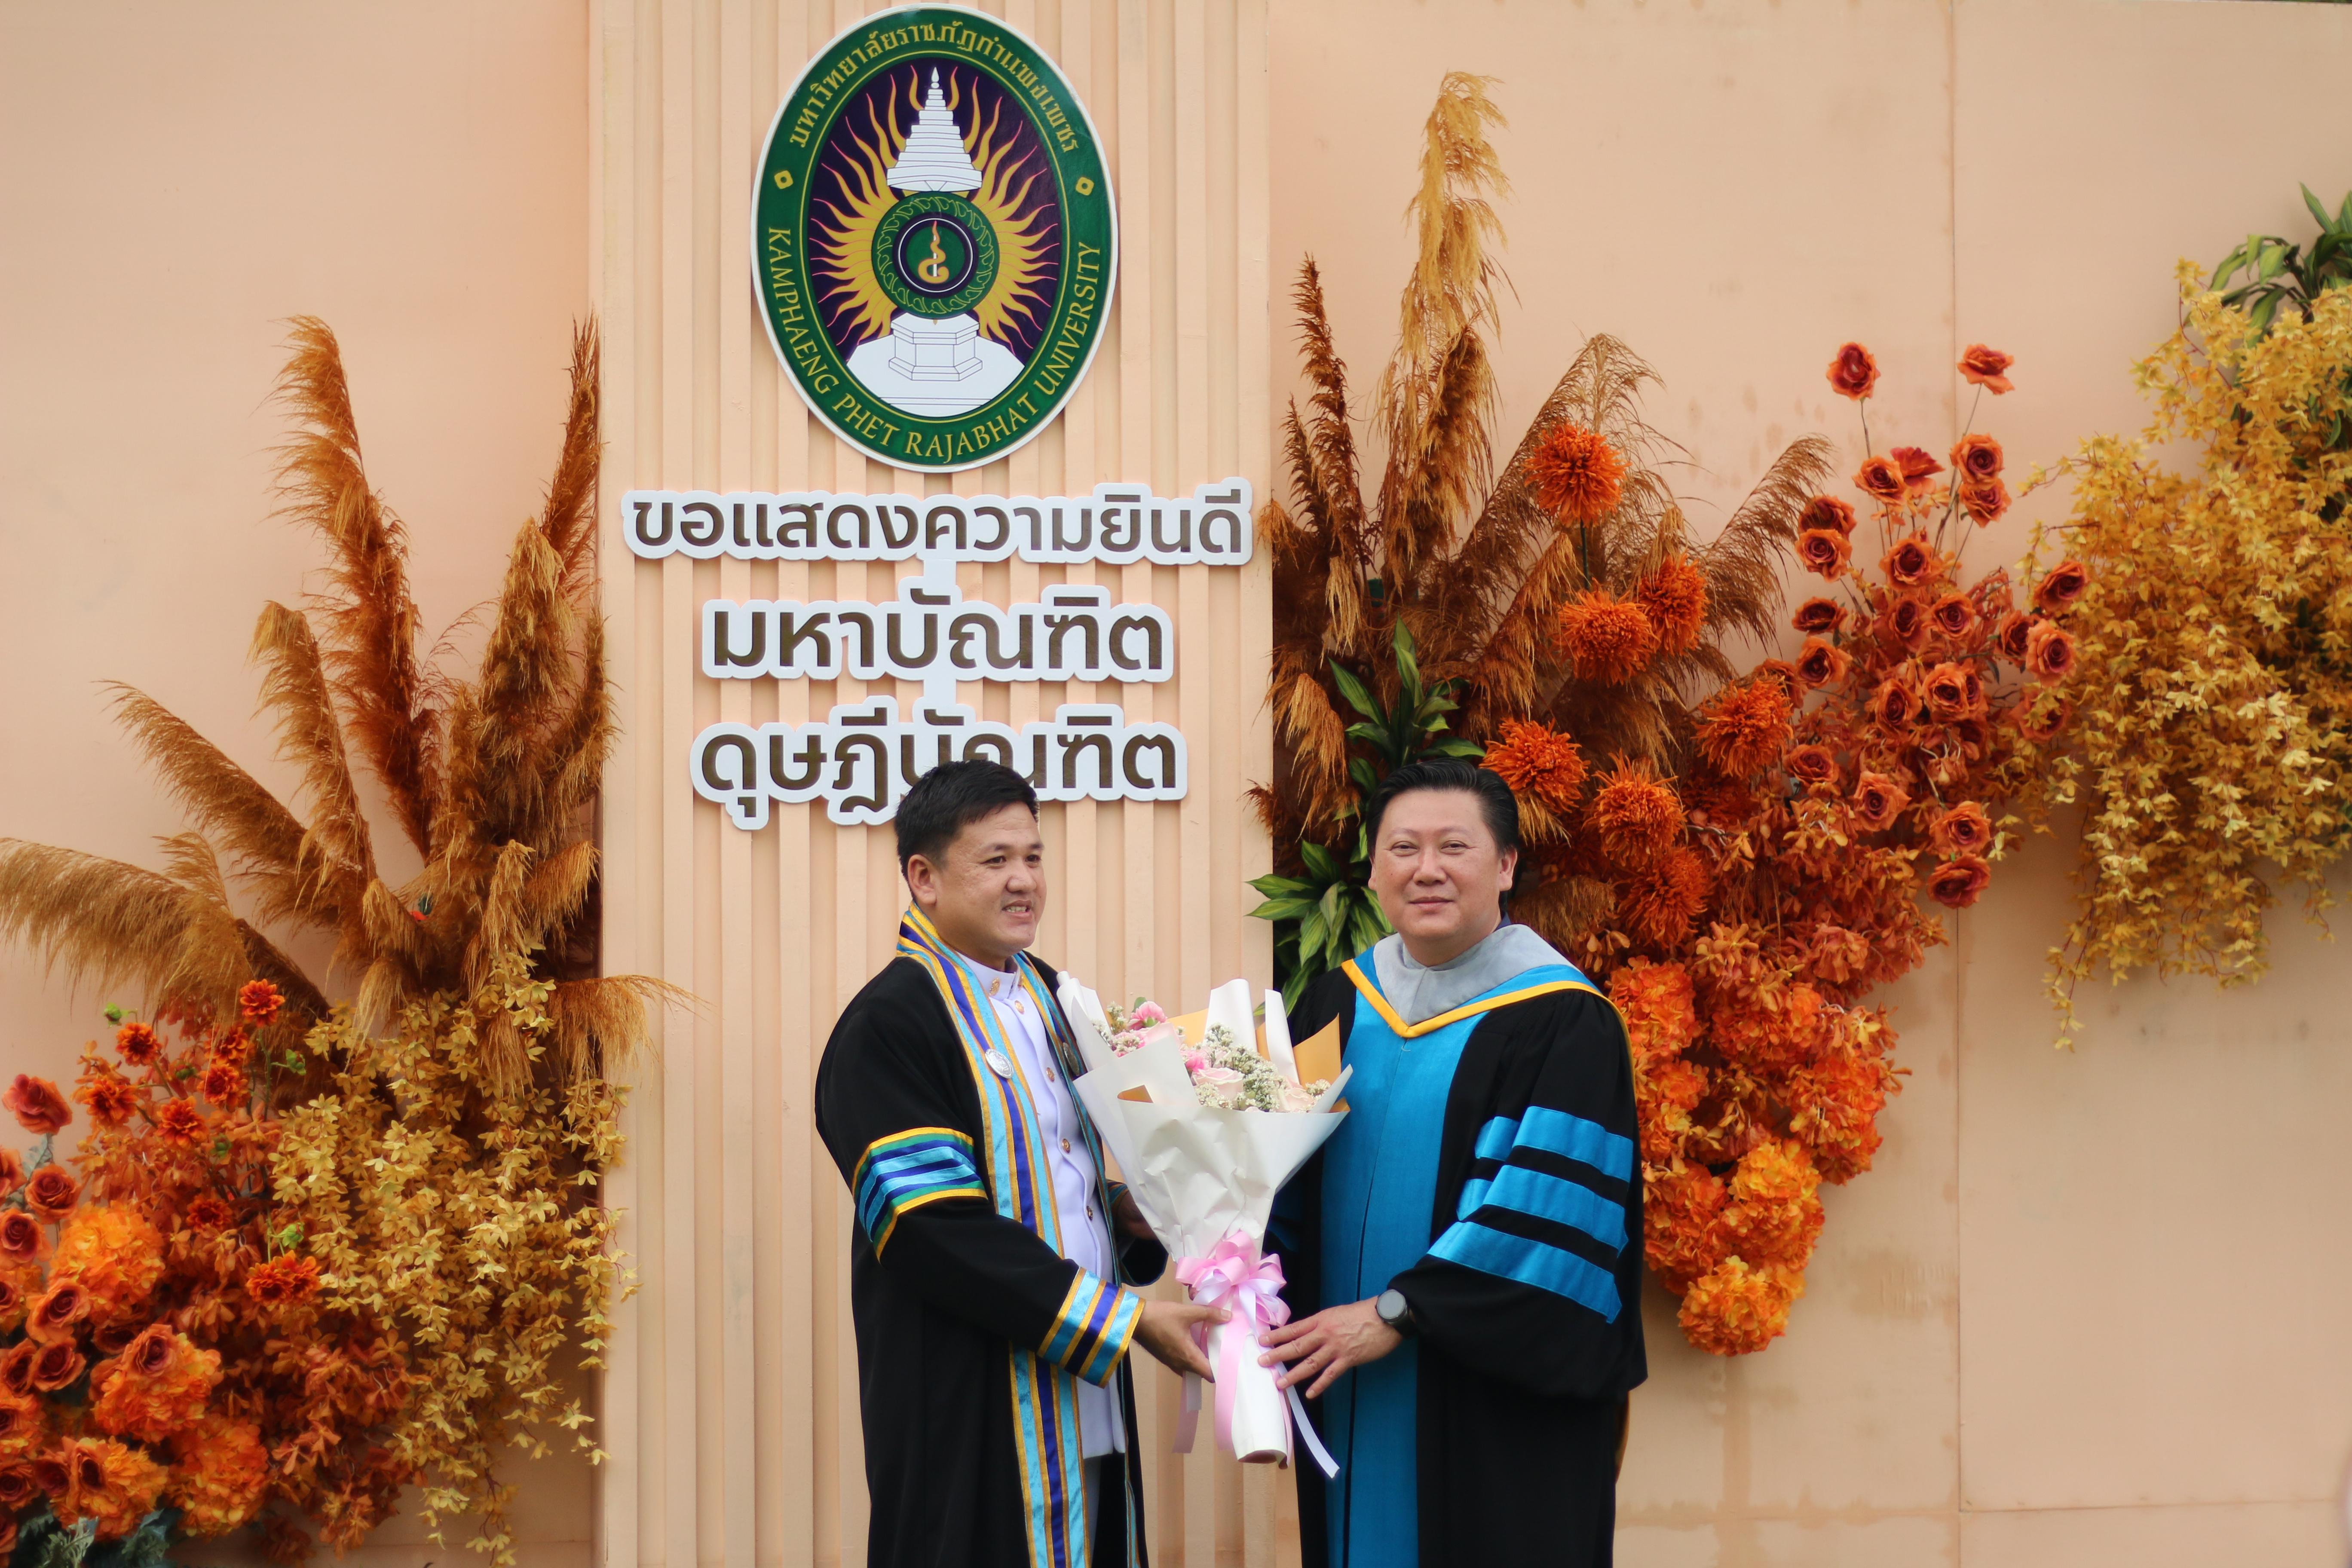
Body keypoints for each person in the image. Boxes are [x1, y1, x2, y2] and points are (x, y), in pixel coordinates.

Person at [815, 760, 1223, 1568]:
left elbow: (1054, 1173)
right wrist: (1128, 1321)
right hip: (968, 1400)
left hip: (1085, 1396)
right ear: (923, 878)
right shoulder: (889, 1026)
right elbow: (936, 1231)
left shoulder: (1049, 996)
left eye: (1033, 858)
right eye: (995, 860)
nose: (1024, 881)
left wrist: (1131, 1210)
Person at [1261, 759, 1646, 1568]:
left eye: (1453, 847)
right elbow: (1274, 1180)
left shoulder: (1563, 1020)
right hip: (1345, 1378)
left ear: (1505, 865)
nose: (1425, 869)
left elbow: (1550, 1227)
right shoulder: (1333, 1003)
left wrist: (1401, 1312)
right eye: (1402, 847)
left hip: (1489, 1407)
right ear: (1373, 870)